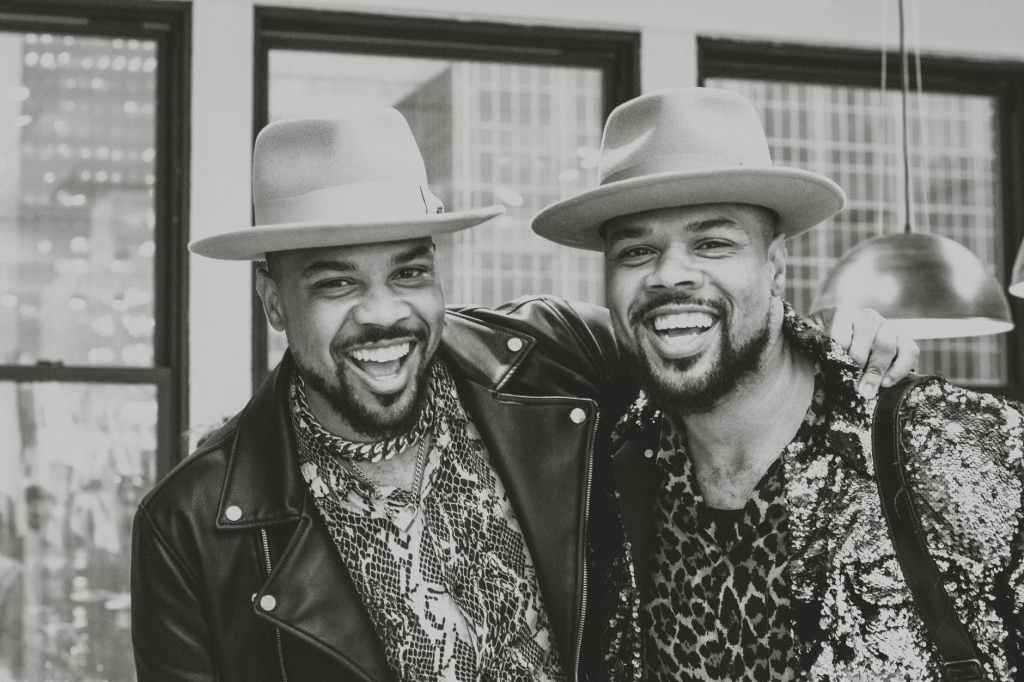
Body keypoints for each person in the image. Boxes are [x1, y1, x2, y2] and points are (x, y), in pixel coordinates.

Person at [130, 108, 915, 681]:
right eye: (335, 283)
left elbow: (706, 346)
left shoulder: (552, 356)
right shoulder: (191, 525)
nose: (383, 314)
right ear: (273, 301)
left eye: (409, 271)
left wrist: (834, 346)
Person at [532, 86, 1024, 681]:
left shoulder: (960, 447)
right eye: (636, 251)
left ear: (775, 265)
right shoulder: (598, 474)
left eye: (713, 243)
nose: (669, 275)